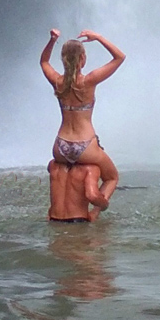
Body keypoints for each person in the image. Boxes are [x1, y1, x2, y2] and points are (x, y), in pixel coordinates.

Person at [40, 28, 123, 211]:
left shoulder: (57, 81)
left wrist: (52, 40)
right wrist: (98, 37)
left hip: (60, 146)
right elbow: (119, 57)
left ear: (63, 60)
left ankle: (66, 211)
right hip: (86, 146)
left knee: (63, 173)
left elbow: (44, 61)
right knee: (112, 177)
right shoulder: (89, 81)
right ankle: (95, 212)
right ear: (83, 59)